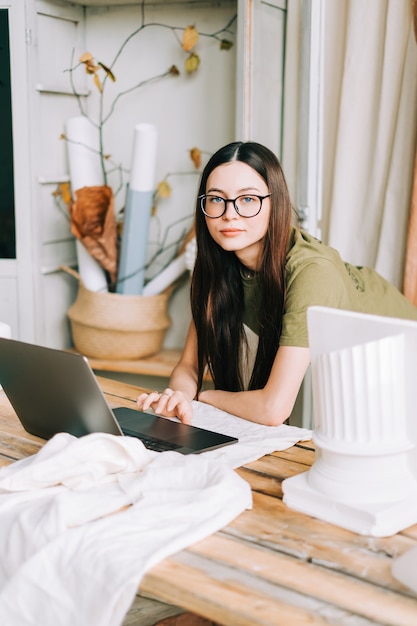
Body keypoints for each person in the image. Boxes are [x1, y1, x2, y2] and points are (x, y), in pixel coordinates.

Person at [137, 141, 417, 426]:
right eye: (216, 199)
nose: (229, 214)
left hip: (402, 368)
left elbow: (273, 409)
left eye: (247, 199)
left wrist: (203, 398)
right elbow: (189, 366)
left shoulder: (311, 273)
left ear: (276, 203)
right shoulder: (216, 263)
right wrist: (180, 395)